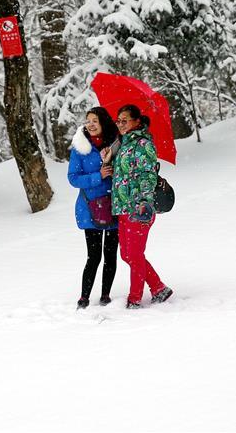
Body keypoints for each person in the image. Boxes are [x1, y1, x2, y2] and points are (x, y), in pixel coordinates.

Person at [102, 104, 173, 309]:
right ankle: (159, 288)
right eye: (119, 120)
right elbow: (121, 175)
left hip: (138, 207)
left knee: (133, 255)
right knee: (127, 254)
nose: (121, 124)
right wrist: (108, 157)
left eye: (125, 120)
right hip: (123, 206)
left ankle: (134, 299)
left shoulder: (143, 144)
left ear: (137, 121)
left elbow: (147, 175)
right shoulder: (122, 144)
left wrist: (143, 202)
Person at [67, 107, 120, 309]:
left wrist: (112, 164)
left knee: (110, 254)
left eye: (95, 120)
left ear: (103, 122)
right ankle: (84, 296)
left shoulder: (116, 145)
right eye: (88, 120)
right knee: (94, 255)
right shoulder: (80, 148)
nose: (90, 124)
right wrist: (99, 175)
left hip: (114, 204)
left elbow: (123, 173)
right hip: (90, 208)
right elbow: (73, 178)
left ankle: (105, 294)